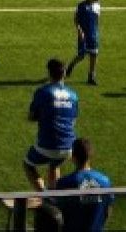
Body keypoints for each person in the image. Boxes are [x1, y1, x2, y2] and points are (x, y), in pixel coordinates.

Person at [23, 58, 79, 192]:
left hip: (47, 145)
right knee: (55, 165)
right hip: (69, 146)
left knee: (28, 164)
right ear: (64, 74)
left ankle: (43, 195)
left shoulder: (43, 92)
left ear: (49, 73)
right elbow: (73, 119)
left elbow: (31, 117)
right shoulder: (73, 95)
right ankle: (55, 196)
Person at [55, 138, 114, 232]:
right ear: (90, 156)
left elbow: (57, 211)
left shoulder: (65, 183)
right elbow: (107, 211)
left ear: (73, 157)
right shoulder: (105, 181)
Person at [66, 0, 101, 85]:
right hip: (83, 34)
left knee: (94, 54)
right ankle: (70, 66)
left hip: (93, 34)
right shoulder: (81, 5)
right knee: (81, 56)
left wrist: (96, 32)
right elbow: (76, 19)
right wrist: (79, 31)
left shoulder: (97, 6)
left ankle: (91, 77)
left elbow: (97, 20)